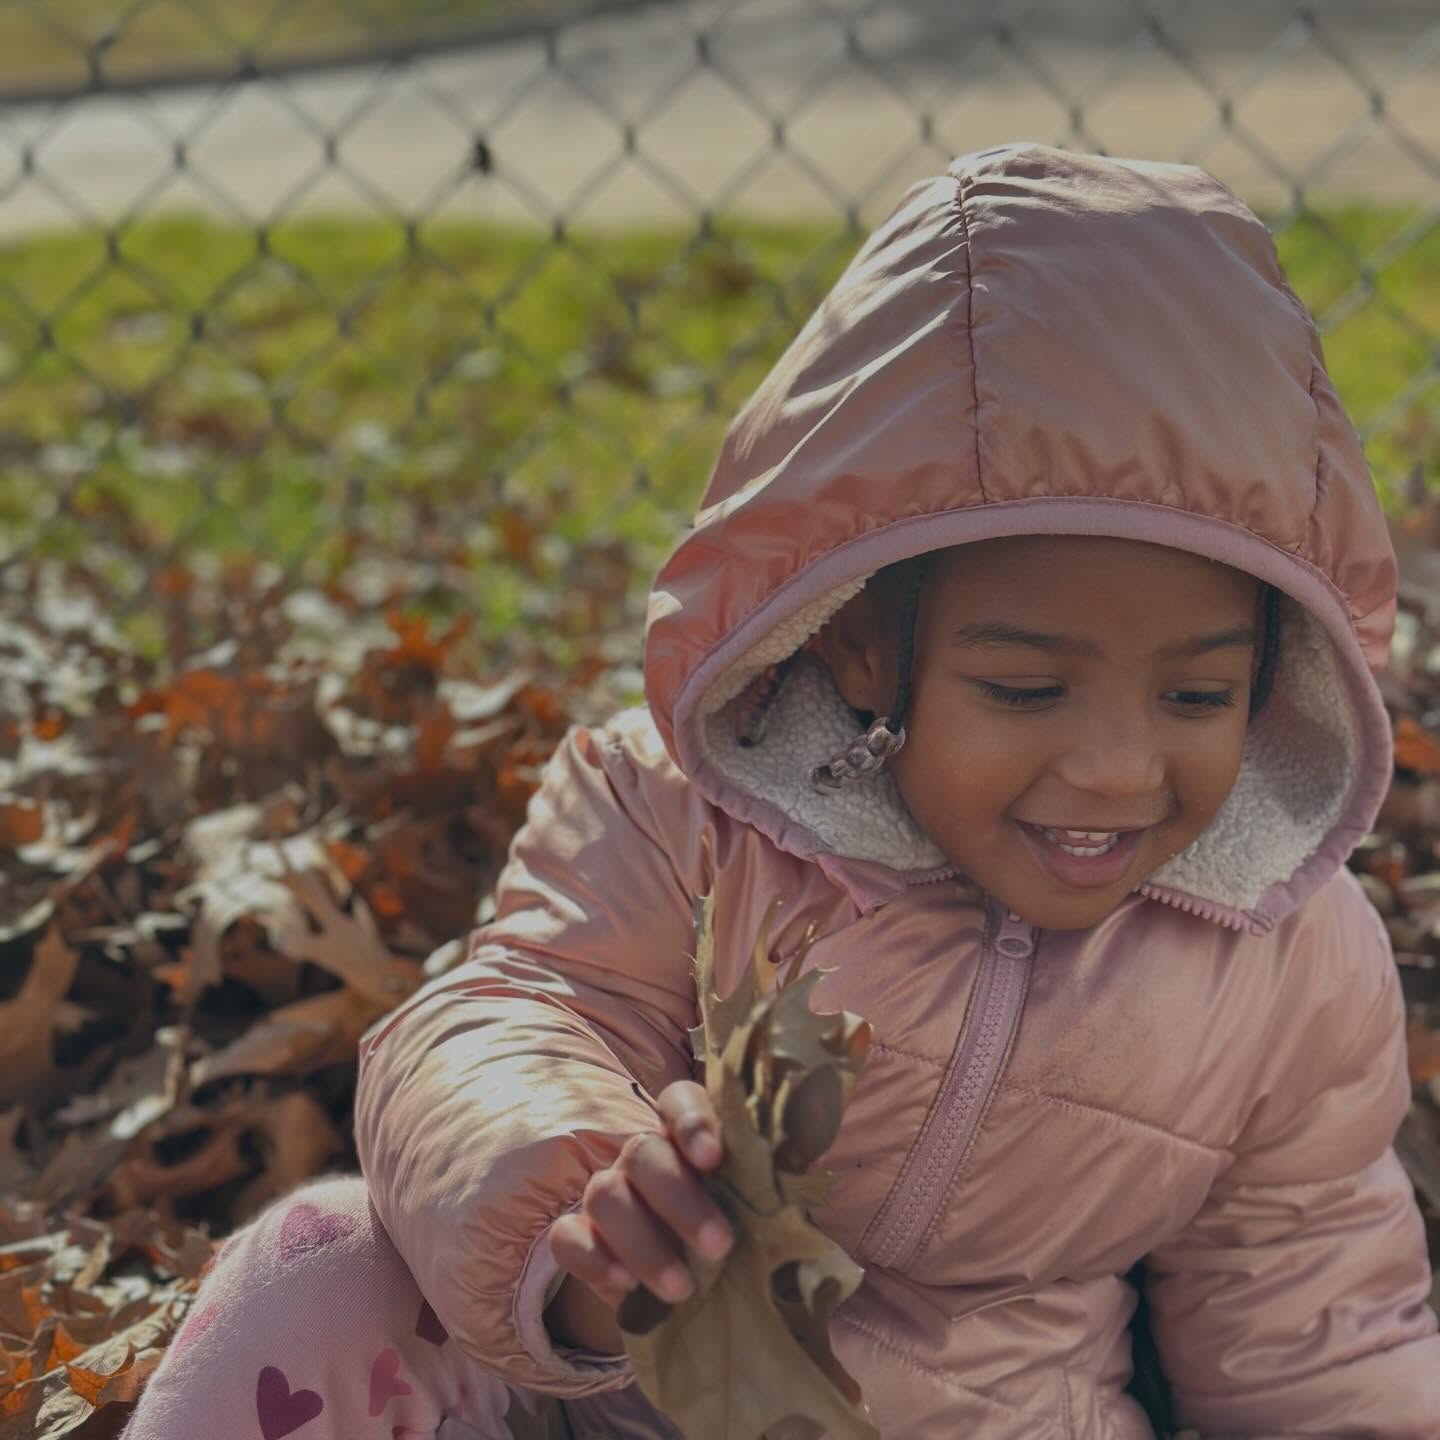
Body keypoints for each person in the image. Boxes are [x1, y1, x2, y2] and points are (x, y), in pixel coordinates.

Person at [123, 144, 1440, 1440]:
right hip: (619, 1397)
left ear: (1275, 673)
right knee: (323, 1259)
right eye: (1028, 691)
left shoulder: (1290, 955)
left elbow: (1308, 1312)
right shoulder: (686, 811)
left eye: (1195, 697)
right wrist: (573, 1215)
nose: (1114, 765)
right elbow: (515, 1012)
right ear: (862, 638)